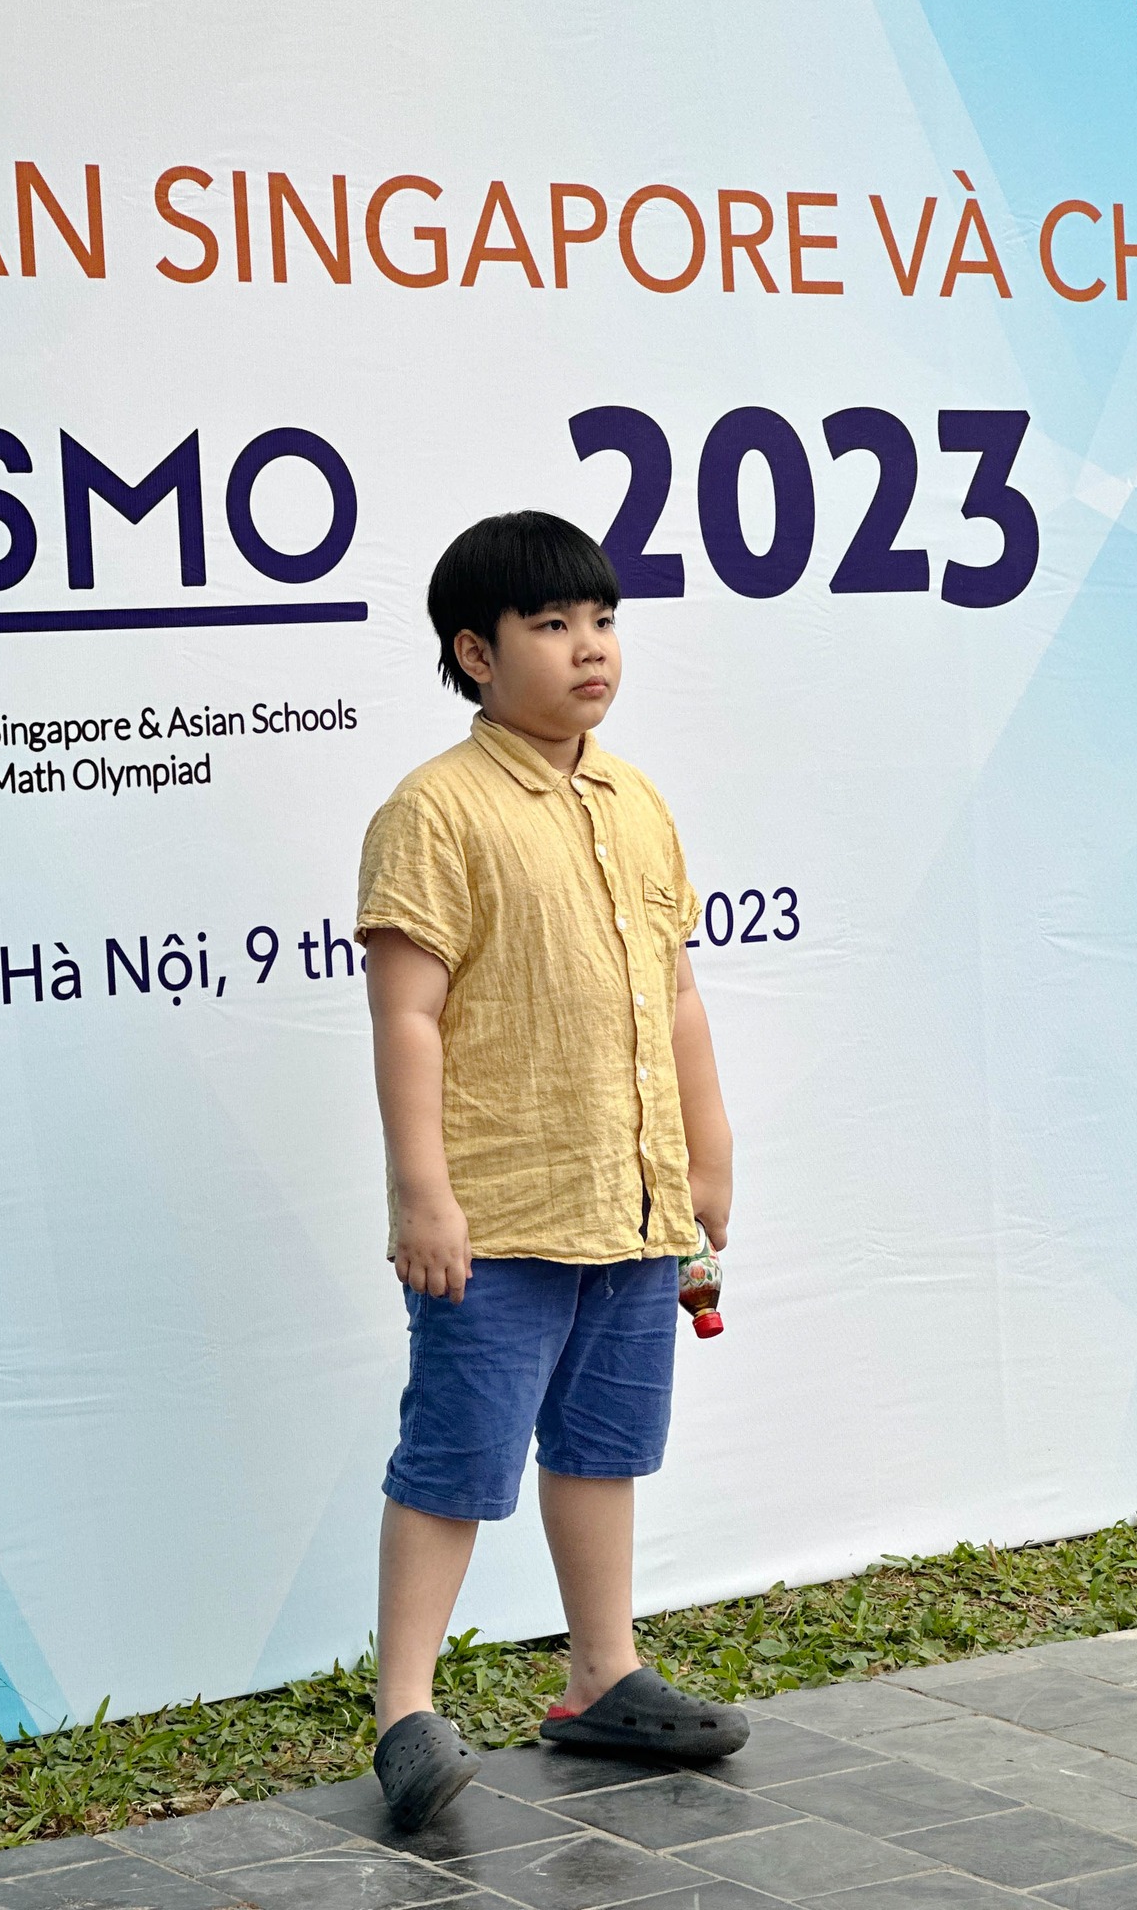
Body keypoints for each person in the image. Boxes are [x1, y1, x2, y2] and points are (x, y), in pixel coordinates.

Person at [354, 509, 748, 1830]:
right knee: (457, 1453)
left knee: (603, 1442)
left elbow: (675, 994)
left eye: (603, 621)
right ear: (475, 653)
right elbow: (407, 1015)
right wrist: (424, 1193)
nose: (590, 649)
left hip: (631, 1201)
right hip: (501, 1211)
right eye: (551, 625)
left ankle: (601, 1677)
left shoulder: (637, 802)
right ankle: (405, 1712)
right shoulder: (435, 811)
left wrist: (707, 1150)